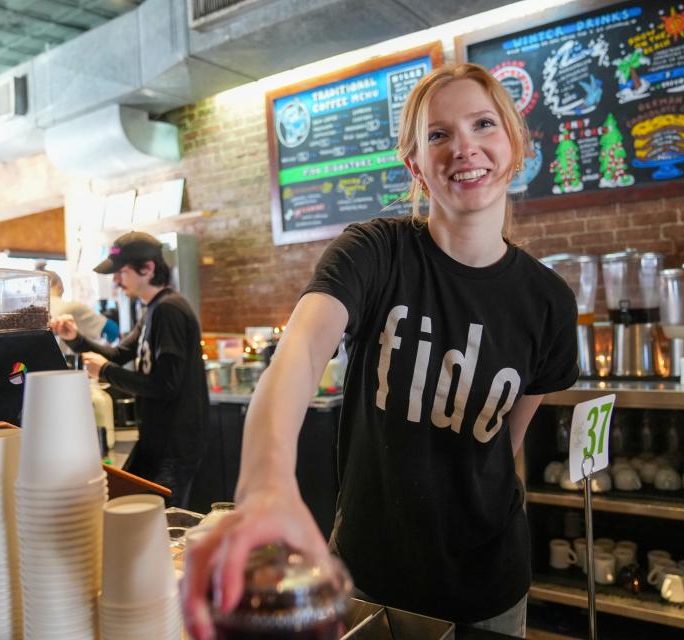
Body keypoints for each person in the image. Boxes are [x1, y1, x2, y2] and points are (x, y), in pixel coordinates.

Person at [181, 63, 579, 639]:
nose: (464, 147)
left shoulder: (547, 301)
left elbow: (506, 442)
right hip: (370, 576)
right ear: (415, 165)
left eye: (483, 124)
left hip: (489, 584)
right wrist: (266, 483)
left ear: (514, 143)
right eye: (439, 135)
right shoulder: (375, 253)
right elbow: (300, 350)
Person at [50, 232, 209, 508]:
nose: (115, 280)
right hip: (158, 440)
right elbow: (119, 354)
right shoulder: (152, 310)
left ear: (147, 268)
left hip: (174, 444)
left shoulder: (168, 311)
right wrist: (74, 338)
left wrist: (107, 372)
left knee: (163, 526)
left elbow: (165, 385)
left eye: (121, 272)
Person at [45, 270, 119, 357]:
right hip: (73, 365)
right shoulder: (73, 307)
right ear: (60, 286)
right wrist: (104, 351)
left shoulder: (33, 312)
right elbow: (113, 330)